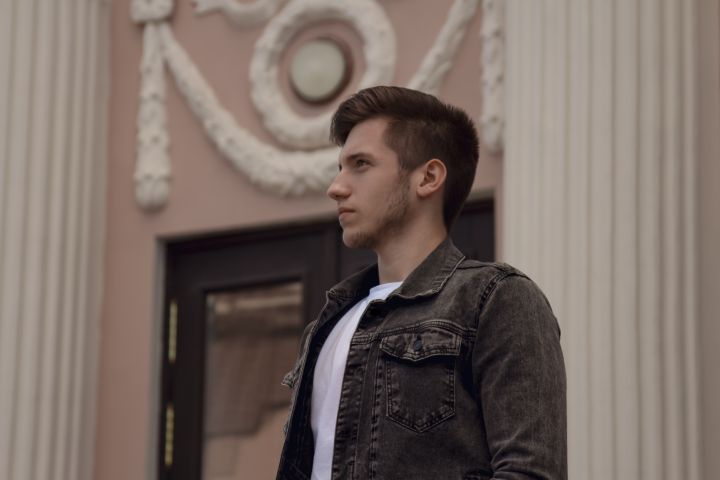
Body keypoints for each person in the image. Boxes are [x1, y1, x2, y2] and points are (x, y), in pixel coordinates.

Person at [276, 86, 567, 480]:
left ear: (428, 177)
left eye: (360, 164)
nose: (336, 187)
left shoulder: (495, 299)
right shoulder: (326, 327)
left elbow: (529, 471)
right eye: (339, 167)